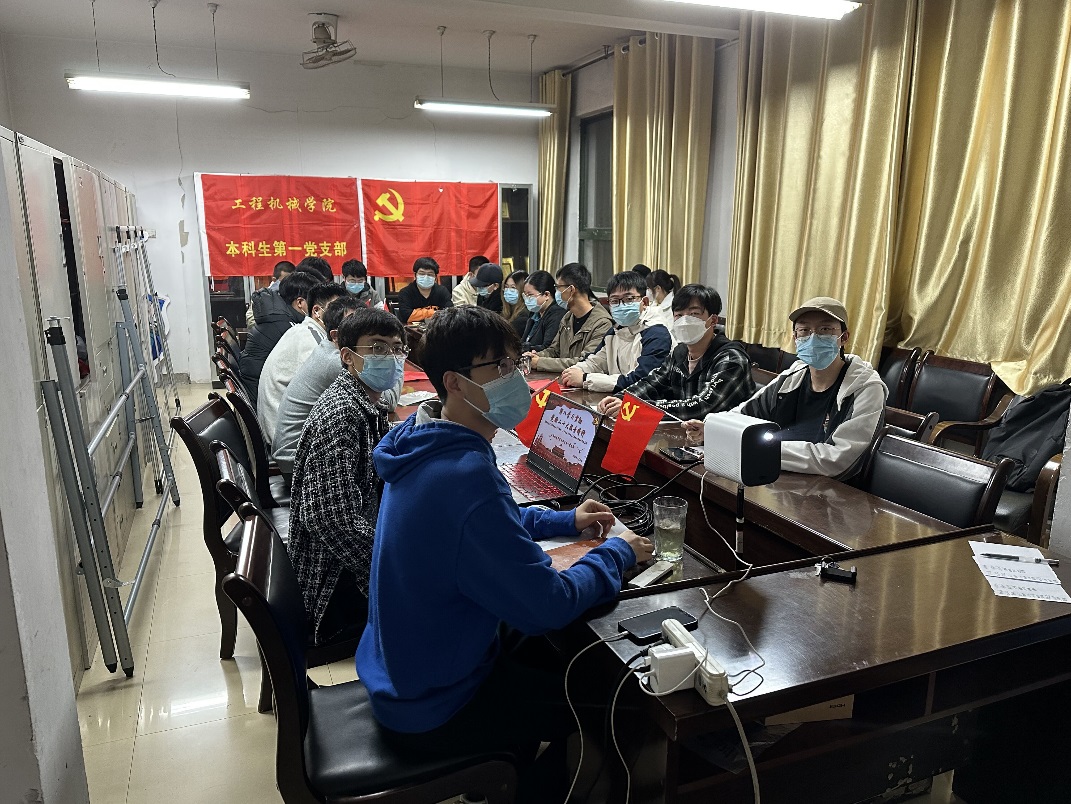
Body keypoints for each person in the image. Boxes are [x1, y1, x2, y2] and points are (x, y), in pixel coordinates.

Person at [356, 305, 653, 801]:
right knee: (622, 705)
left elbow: (484, 523)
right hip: (435, 702)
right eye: (499, 367)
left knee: (546, 658)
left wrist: (565, 520)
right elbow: (548, 604)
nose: (515, 378)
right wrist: (618, 553)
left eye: (515, 363)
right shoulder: (464, 474)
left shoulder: (420, 439)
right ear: (454, 382)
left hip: (403, 667)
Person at [288, 307, 407, 646]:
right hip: (335, 586)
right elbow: (329, 520)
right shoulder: (342, 415)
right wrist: (395, 565)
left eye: (397, 348)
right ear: (348, 356)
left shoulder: (364, 402)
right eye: (377, 347)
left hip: (350, 558)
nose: (390, 357)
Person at [698, 297, 886, 480]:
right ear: (795, 338)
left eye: (825, 329)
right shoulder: (793, 376)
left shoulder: (865, 388)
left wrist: (762, 449)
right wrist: (712, 429)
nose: (813, 337)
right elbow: (740, 415)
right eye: (804, 330)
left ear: (843, 337)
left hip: (834, 492)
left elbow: (838, 459)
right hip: (781, 480)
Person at [599, 284, 754, 420]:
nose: (684, 321)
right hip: (685, 434)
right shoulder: (680, 352)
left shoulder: (731, 359)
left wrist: (637, 408)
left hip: (723, 439)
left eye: (694, 314)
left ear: (713, 320)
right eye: (679, 315)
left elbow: (701, 407)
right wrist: (622, 398)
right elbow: (652, 383)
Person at [272, 295, 373, 485]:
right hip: (296, 464)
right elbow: (387, 400)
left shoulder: (327, 350)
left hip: (299, 452)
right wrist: (395, 356)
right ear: (335, 335)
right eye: (355, 327)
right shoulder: (334, 362)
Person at [257, 282, 347, 443]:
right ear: (317, 311)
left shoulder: (304, 331)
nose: (342, 316)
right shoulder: (311, 342)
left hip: (282, 431)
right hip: (287, 442)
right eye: (336, 309)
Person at [559, 271, 672, 393]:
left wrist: (585, 378)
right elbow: (596, 361)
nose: (621, 305)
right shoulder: (615, 331)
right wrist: (575, 370)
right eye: (614, 300)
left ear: (644, 302)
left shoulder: (657, 334)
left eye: (629, 299)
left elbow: (641, 380)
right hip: (618, 397)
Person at [239, 270, 320, 406]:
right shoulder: (287, 327)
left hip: (258, 391)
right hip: (265, 401)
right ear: (300, 302)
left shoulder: (277, 316)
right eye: (315, 303)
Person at [525, 263, 613, 373]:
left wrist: (540, 362)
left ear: (571, 289)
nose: (556, 293)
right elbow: (554, 350)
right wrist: (536, 356)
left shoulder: (602, 324)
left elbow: (585, 362)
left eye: (558, 288)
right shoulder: (568, 317)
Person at [396, 257, 452, 324]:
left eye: (430, 274)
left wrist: (417, 314)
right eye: (422, 273)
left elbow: (450, 314)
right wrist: (434, 313)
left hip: (438, 328)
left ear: (435, 278)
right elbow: (407, 316)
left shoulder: (442, 291)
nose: (426, 277)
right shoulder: (405, 292)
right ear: (415, 275)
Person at [519, 270, 565, 352]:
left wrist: (528, 349)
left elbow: (548, 347)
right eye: (525, 295)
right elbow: (524, 341)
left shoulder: (556, 315)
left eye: (530, 295)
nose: (527, 299)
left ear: (546, 295)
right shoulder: (534, 313)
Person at [245, 260, 295, 328]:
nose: (289, 284)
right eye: (284, 281)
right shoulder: (261, 296)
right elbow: (251, 322)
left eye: (291, 281)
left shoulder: (296, 296)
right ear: (274, 280)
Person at [502, 270, 529, 338]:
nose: (508, 291)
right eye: (506, 287)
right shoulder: (507, 312)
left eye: (513, 287)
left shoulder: (524, 316)